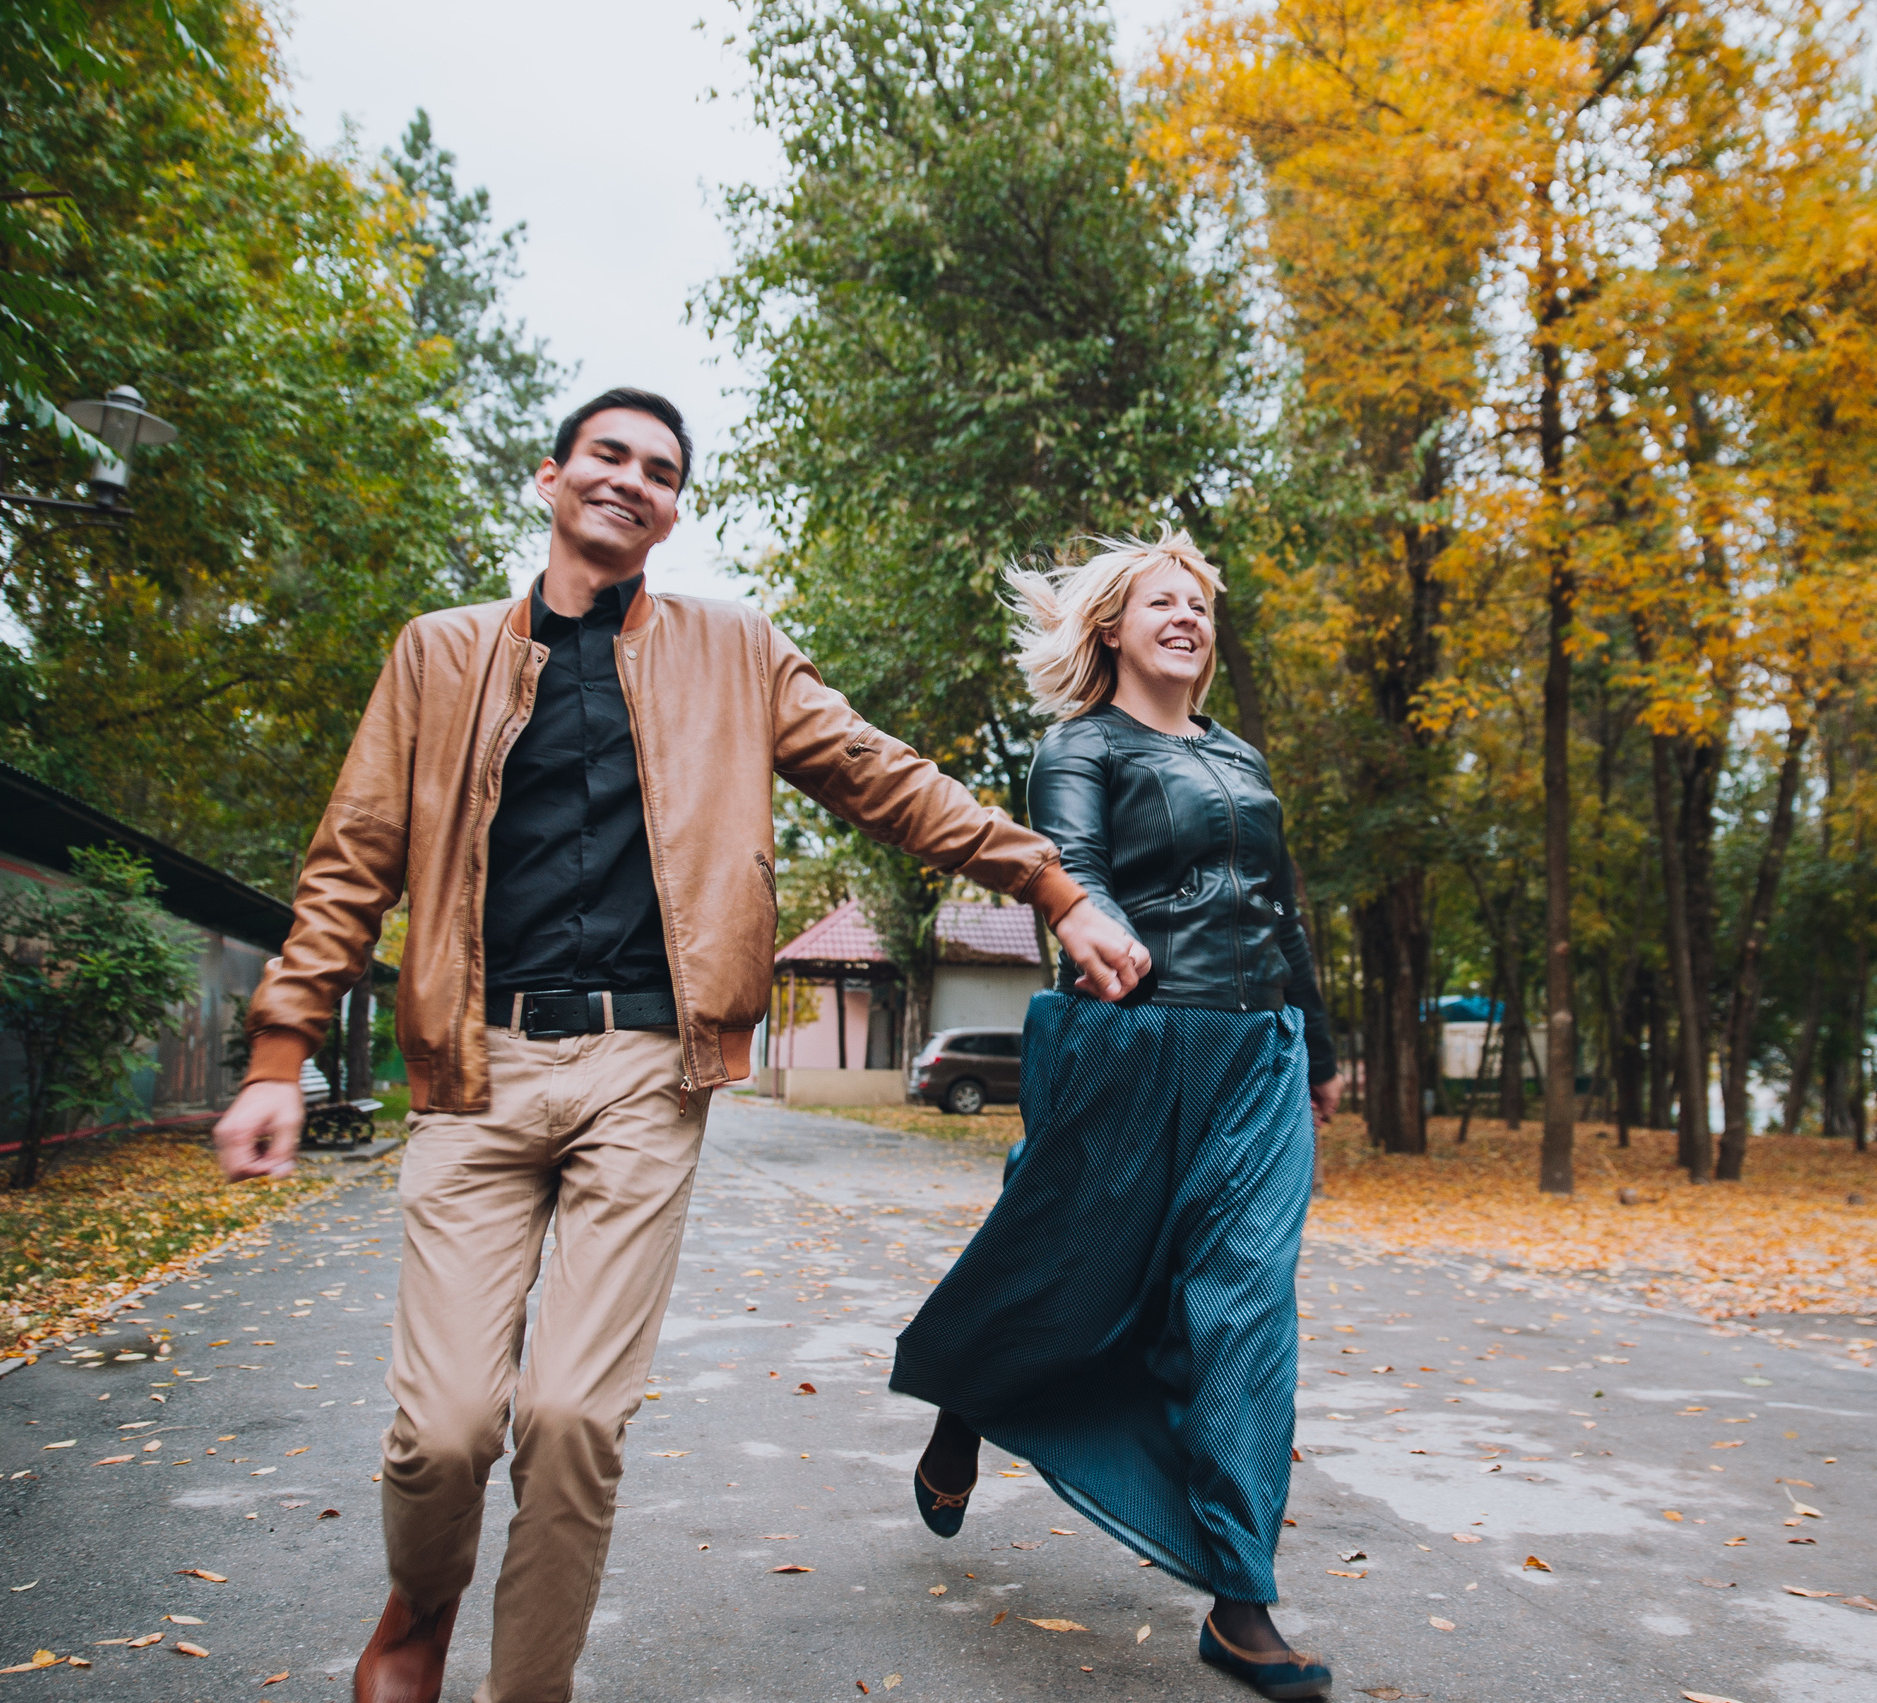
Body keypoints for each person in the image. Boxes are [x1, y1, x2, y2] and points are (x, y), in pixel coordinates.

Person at [211, 386, 1148, 1703]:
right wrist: (278, 1051)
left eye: (661, 468)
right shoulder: (437, 653)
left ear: (671, 509)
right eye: (608, 455)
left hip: (647, 1072)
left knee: (574, 1418)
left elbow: (887, 775)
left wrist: (1046, 879)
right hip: (475, 1072)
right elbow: (351, 859)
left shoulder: (735, 651)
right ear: (551, 479)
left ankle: (525, 1683)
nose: (632, 478)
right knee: (446, 1429)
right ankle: (421, 1600)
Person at [890, 531, 1344, 1702]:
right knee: (1062, 1271)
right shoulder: (1078, 745)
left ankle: (1242, 1602)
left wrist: (1320, 1043)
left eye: (1200, 602)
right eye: (1163, 600)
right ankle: (967, 1403)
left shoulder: (1241, 755)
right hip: (1135, 1045)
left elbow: (1281, 911)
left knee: (1244, 1304)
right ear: (1112, 630)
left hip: (1256, 1053)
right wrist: (1104, 956)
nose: (1188, 614)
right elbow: (1073, 873)